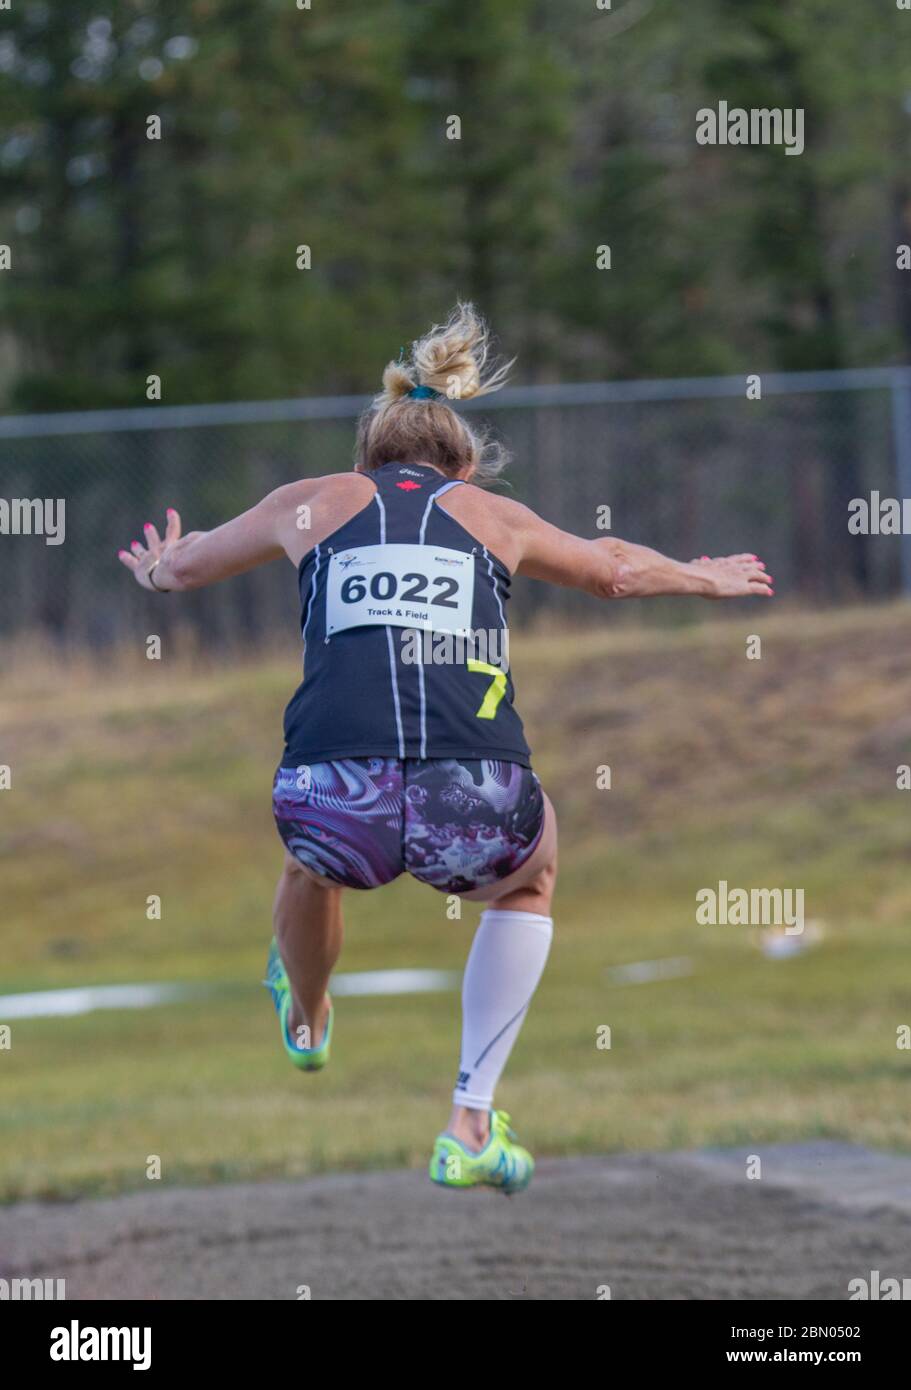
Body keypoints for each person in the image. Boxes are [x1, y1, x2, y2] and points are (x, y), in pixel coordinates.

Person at [119, 304, 773, 1194]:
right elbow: (612, 568)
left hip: (330, 788)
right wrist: (704, 577)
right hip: (473, 793)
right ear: (459, 463)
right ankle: (469, 1117)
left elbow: (187, 568)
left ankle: (307, 1016)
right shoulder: (487, 514)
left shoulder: (311, 501)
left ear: (369, 459)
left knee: (311, 869)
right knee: (531, 878)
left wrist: (156, 565)